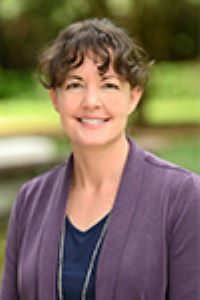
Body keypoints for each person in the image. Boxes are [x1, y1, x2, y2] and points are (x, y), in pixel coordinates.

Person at [0, 18, 200, 300]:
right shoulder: (30, 200)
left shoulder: (182, 196)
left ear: (134, 97)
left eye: (109, 85)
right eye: (74, 85)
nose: (91, 101)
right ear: (55, 98)